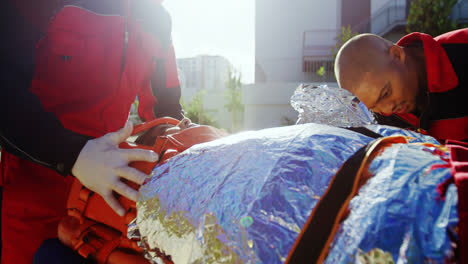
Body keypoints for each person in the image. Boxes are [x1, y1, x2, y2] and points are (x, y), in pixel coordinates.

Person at [0, 1, 184, 263]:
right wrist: (74, 154)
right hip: (33, 197)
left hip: (111, 204)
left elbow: (167, 113)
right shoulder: (29, 6)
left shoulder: (155, 16)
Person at [334, 28, 468, 142]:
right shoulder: (383, 119)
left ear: (397, 55)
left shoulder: (462, 50)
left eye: (386, 93)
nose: (387, 110)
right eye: (373, 107)